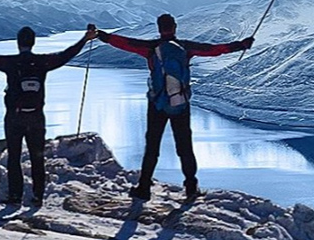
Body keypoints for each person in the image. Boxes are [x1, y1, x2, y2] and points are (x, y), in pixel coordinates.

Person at [96, 13, 253, 201]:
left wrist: (102, 36)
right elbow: (214, 50)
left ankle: (144, 188)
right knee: (184, 146)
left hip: (157, 104)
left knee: (152, 146)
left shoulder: (151, 48)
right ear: (175, 27)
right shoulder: (185, 47)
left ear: (159, 28)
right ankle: (191, 188)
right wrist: (240, 45)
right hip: (180, 103)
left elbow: (125, 43)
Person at [0, 24, 97, 206]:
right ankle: (38, 197)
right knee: (37, 158)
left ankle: (15, 196)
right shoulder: (43, 62)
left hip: (14, 118)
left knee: (14, 158)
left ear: (18, 43)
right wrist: (85, 39)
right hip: (36, 118)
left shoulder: (11, 63)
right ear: (33, 42)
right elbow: (66, 54)